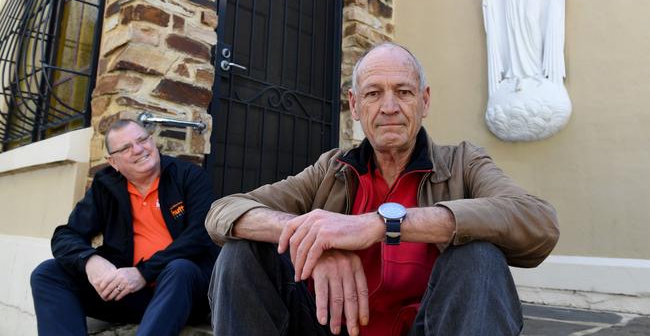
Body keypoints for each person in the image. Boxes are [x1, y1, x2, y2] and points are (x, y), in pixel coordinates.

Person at [205, 42, 559, 336]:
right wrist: (317, 242)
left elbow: (538, 220)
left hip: (428, 328)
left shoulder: (462, 163)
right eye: (374, 93)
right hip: (329, 327)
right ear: (355, 105)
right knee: (242, 253)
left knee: (479, 258)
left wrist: (381, 224)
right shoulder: (332, 169)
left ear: (425, 100)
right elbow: (224, 211)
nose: (389, 107)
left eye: (403, 92)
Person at [31, 119, 219, 335]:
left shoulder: (187, 176)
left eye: (142, 140)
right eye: (126, 148)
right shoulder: (106, 185)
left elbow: (201, 234)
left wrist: (143, 273)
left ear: (152, 141)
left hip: (185, 293)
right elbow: (66, 235)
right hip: (132, 296)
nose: (139, 150)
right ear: (113, 162)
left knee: (180, 268)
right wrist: (89, 261)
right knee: (48, 272)